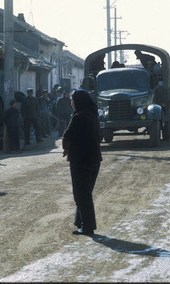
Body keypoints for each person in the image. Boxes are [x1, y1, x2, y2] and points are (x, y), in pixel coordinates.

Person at [62, 89, 102, 236]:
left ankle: (88, 227)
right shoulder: (93, 116)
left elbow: (67, 136)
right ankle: (80, 222)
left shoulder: (78, 117)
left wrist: (66, 148)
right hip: (95, 159)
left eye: (73, 100)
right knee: (85, 192)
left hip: (80, 160)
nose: (72, 103)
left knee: (81, 194)